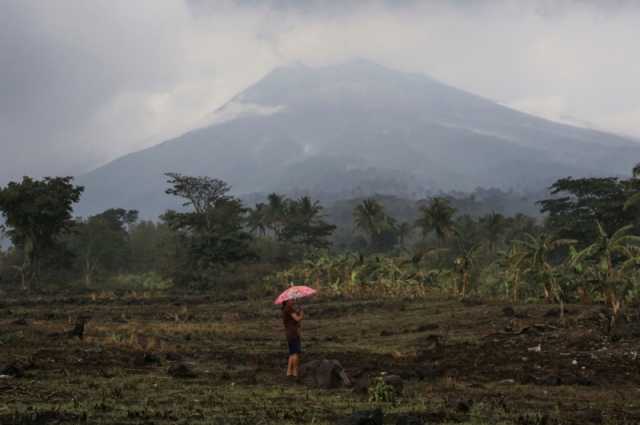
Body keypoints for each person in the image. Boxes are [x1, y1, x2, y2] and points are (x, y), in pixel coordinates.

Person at [282, 299, 304, 378]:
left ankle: (289, 372)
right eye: (291, 300)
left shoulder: (286, 309)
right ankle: (295, 372)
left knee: (292, 353)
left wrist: (297, 312)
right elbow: (297, 319)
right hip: (293, 334)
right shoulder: (289, 308)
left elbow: (293, 319)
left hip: (289, 333)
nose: (293, 301)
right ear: (287, 301)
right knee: (295, 353)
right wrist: (301, 314)